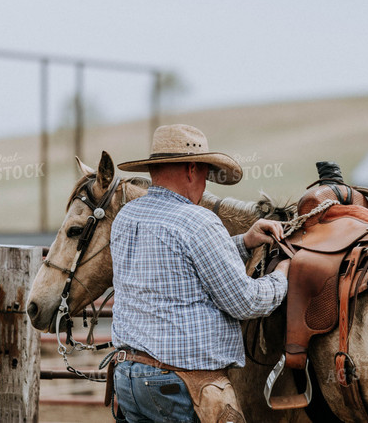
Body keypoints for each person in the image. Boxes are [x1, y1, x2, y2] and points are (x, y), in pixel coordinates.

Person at [110, 124, 290, 423]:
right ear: (192, 169)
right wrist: (281, 275)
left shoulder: (128, 215)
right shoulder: (197, 222)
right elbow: (245, 302)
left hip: (128, 376)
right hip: (179, 385)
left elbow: (180, 266)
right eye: (206, 173)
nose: (206, 183)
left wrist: (245, 242)